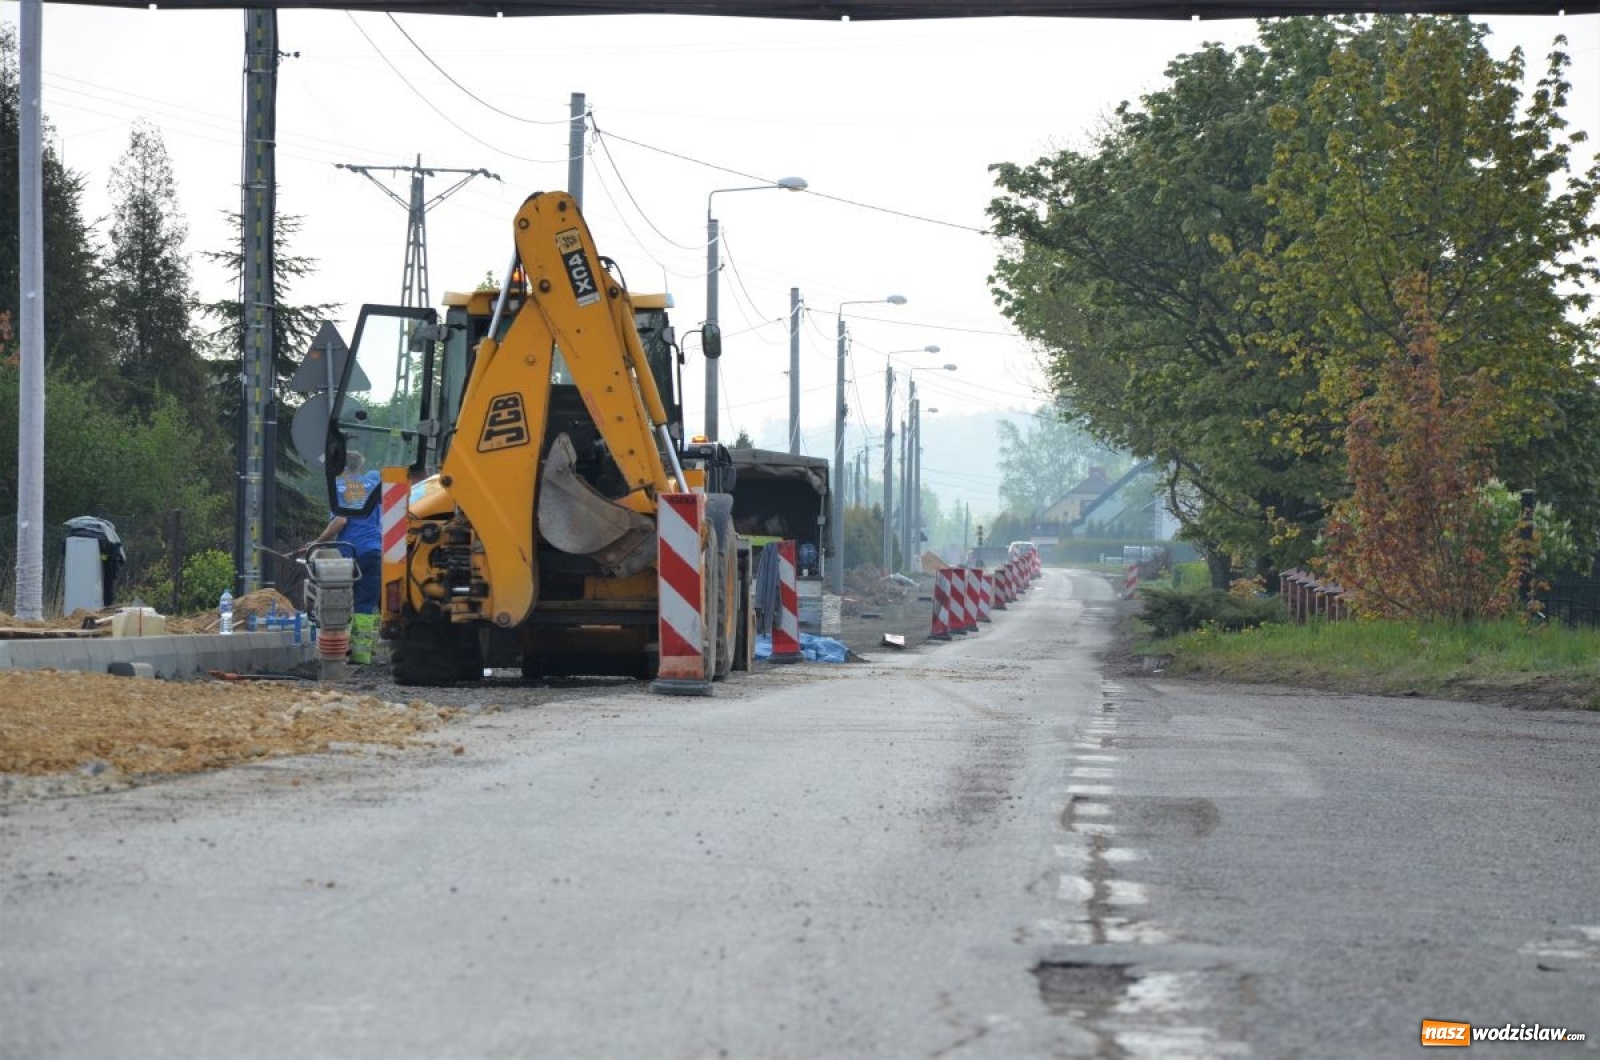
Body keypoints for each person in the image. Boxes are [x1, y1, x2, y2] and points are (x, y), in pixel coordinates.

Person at [311, 450, 382, 613]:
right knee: (365, 604)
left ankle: (340, 636)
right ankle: (361, 638)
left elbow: (340, 521)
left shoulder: (339, 486)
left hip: (350, 552)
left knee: (339, 600)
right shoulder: (373, 486)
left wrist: (317, 542)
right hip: (373, 550)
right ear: (360, 467)